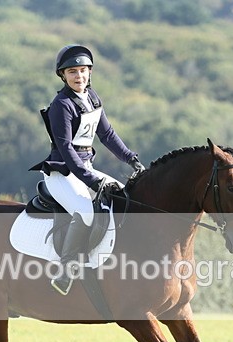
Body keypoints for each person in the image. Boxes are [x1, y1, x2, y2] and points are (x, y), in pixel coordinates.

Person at [30, 44, 145, 295]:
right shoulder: (62, 104)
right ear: (63, 75)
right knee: (85, 211)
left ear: (89, 72)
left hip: (85, 169)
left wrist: (131, 158)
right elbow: (66, 147)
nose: (79, 76)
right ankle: (65, 270)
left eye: (83, 71)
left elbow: (106, 134)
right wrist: (89, 179)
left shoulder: (92, 98)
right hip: (63, 173)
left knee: (125, 196)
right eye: (72, 72)